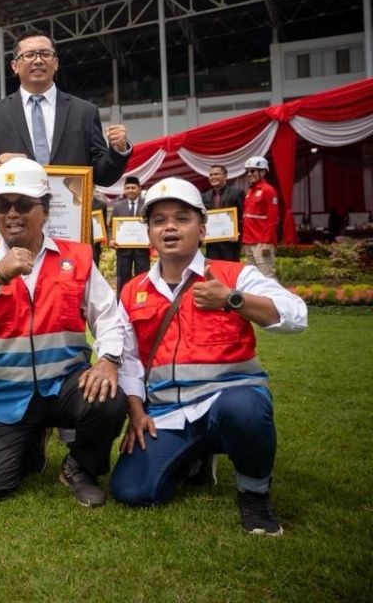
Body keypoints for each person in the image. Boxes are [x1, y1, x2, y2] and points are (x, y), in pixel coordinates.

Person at [109, 177, 307, 535]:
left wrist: (233, 299)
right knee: (132, 491)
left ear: (201, 229)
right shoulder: (133, 290)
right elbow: (131, 359)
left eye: (182, 219)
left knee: (244, 409)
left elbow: (296, 315)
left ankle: (254, 495)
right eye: (159, 221)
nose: (170, 227)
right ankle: (195, 458)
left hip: (227, 404)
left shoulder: (233, 275)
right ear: (149, 233)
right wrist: (136, 411)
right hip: (168, 412)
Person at [0, 158, 127, 507]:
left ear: (45, 210)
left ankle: (81, 467)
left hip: (65, 386)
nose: (12, 213)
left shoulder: (77, 258)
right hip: (5, 395)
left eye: (23, 204)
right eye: (2, 205)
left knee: (109, 399)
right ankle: (32, 441)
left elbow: (108, 316)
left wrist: (108, 360)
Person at [0, 31, 130, 190]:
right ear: (14, 66)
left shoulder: (84, 112)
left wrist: (118, 150)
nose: (38, 60)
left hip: (71, 205)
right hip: (18, 206)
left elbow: (103, 177)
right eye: (29, 55)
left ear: (56, 63)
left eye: (45, 54)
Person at [241, 156, 280, 278]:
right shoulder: (250, 191)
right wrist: (244, 242)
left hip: (261, 242)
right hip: (249, 241)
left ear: (262, 172)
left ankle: (274, 293)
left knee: (267, 276)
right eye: (248, 171)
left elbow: (272, 219)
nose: (249, 174)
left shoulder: (269, 190)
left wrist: (267, 242)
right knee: (252, 277)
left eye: (253, 171)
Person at [111, 176, 150, 293]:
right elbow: (112, 226)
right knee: (122, 279)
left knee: (143, 278)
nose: (130, 190)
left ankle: (142, 300)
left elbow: (151, 224)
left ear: (139, 189)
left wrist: (152, 239)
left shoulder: (146, 206)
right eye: (127, 188)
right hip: (123, 251)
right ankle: (121, 301)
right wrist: (112, 239)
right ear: (124, 189)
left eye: (133, 188)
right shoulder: (118, 206)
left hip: (142, 250)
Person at [204, 164, 244, 262]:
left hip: (231, 243)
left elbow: (242, 216)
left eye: (216, 174)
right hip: (212, 244)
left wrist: (238, 235)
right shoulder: (205, 196)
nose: (213, 177)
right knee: (214, 268)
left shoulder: (236, 193)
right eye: (211, 175)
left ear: (225, 176)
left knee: (231, 269)